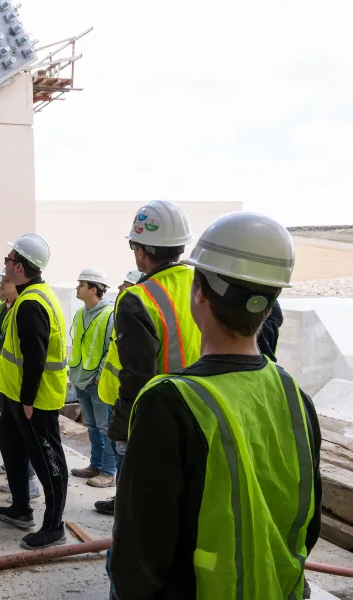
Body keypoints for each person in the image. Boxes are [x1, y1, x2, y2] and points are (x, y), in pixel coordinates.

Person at [111, 212, 322, 599]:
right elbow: (307, 524)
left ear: (199, 293)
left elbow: (136, 560)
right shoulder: (296, 399)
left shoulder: (167, 405)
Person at [96, 200, 202, 516]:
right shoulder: (203, 283)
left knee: (138, 514)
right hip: (202, 411)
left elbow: (136, 377)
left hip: (155, 419)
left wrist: (121, 430)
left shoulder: (138, 298)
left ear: (141, 251)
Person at [0, 233, 69, 550]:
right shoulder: (28, 296)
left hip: (34, 399)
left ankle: (54, 525)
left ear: (20, 267)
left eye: (9, 260)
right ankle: (21, 508)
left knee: (47, 459)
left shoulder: (31, 304)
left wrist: (27, 401)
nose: (5, 264)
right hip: (13, 393)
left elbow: (35, 358)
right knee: (10, 444)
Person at [0, 274, 41, 500]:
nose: (0, 285)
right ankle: (17, 475)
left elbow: (2, 340)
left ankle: (30, 482)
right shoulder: (3, 309)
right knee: (10, 435)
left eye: (5, 281)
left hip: (16, 381)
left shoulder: (22, 309)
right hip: (3, 376)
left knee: (21, 434)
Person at [68, 267, 116, 488]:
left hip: (96, 382)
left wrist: (99, 377)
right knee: (93, 426)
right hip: (80, 378)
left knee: (105, 428)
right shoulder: (80, 313)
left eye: (81, 284)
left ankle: (108, 471)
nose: (77, 288)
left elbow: (111, 349)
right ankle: (95, 465)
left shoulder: (109, 314)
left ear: (93, 289)